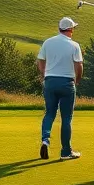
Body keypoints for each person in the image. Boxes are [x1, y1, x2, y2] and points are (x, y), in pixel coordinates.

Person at [36, 16, 84, 160]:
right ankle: (66, 151)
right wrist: (77, 80)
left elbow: (40, 61)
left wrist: (45, 75)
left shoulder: (48, 42)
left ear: (59, 29)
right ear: (70, 30)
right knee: (66, 118)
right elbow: (79, 66)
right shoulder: (74, 45)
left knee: (49, 113)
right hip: (67, 83)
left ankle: (45, 140)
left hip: (50, 81)